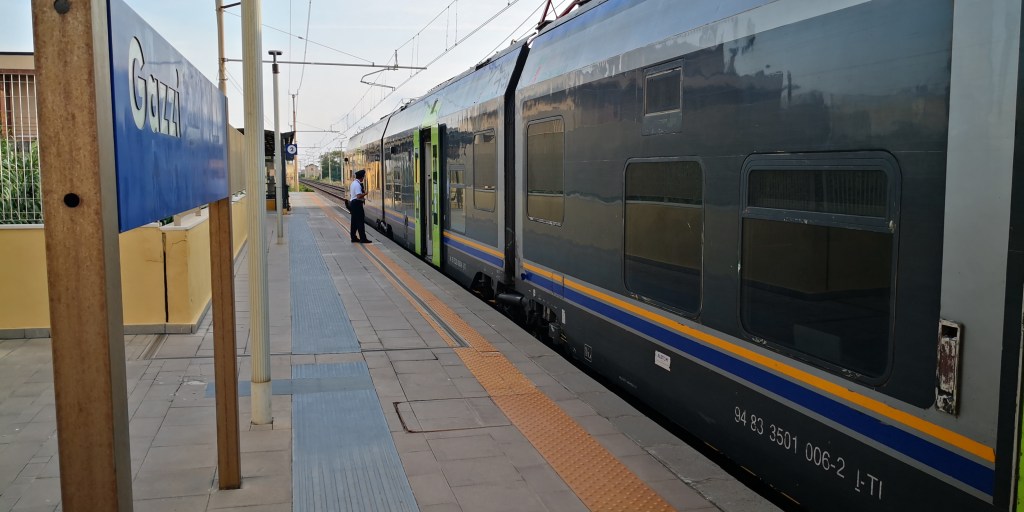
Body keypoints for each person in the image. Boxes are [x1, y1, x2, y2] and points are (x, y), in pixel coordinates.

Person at [349, 170, 371, 243]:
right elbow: (358, 196)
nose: (363, 178)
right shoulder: (357, 185)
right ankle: (363, 238)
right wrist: (366, 193)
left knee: (354, 222)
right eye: (363, 177)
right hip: (357, 204)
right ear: (361, 177)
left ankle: (353, 237)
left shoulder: (353, 183)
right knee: (360, 222)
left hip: (353, 203)